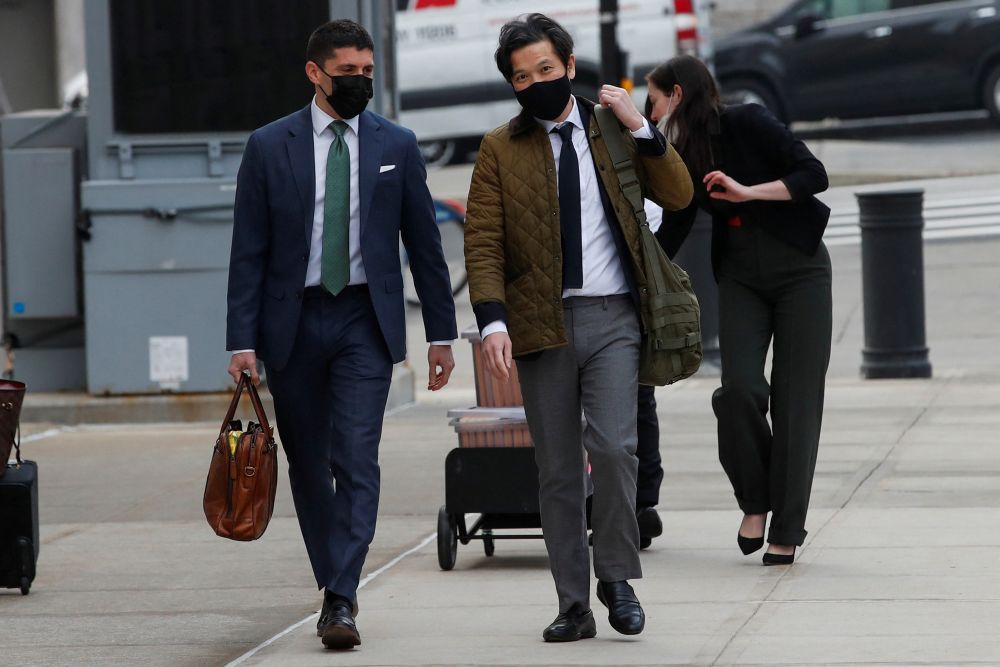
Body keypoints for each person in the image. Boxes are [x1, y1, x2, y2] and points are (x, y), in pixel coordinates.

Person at [225, 19, 457, 650]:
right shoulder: (270, 146)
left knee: (355, 455)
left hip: (363, 319)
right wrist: (240, 342)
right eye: (346, 73)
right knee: (308, 460)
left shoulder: (397, 144)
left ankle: (341, 595)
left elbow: (426, 246)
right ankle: (334, 577)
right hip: (291, 323)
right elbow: (248, 251)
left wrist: (442, 333)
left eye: (367, 72)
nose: (359, 82)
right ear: (315, 73)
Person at [464, 13, 693, 642]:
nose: (535, 81)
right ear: (511, 85)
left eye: (545, 68)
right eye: (521, 76)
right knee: (559, 469)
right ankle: (573, 602)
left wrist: (644, 130)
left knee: (616, 449)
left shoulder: (612, 129)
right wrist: (491, 323)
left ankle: (615, 576)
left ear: (568, 66)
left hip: (614, 314)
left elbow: (678, 195)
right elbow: (482, 242)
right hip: (539, 324)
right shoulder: (498, 148)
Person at [649, 55, 832, 566]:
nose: (651, 109)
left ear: (677, 96)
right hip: (740, 276)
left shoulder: (748, 120)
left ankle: (787, 528)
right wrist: (633, 274)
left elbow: (813, 174)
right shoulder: (683, 154)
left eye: (654, 98)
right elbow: (675, 227)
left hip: (800, 269)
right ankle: (755, 500)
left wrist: (748, 192)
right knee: (739, 392)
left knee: (797, 403)